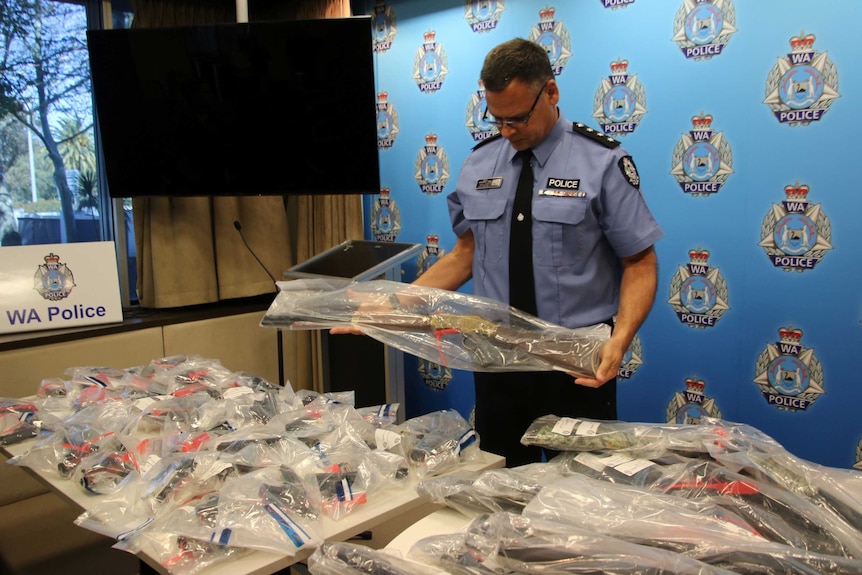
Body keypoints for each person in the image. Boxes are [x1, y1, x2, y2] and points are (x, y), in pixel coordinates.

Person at [409, 38, 663, 466]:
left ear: (550, 93)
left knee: (581, 494)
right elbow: (464, 255)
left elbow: (639, 262)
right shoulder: (479, 164)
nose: (507, 132)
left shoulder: (601, 162)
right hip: (498, 361)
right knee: (501, 486)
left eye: (518, 119)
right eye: (498, 120)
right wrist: (393, 305)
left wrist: (621, 338)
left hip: (575, 364)